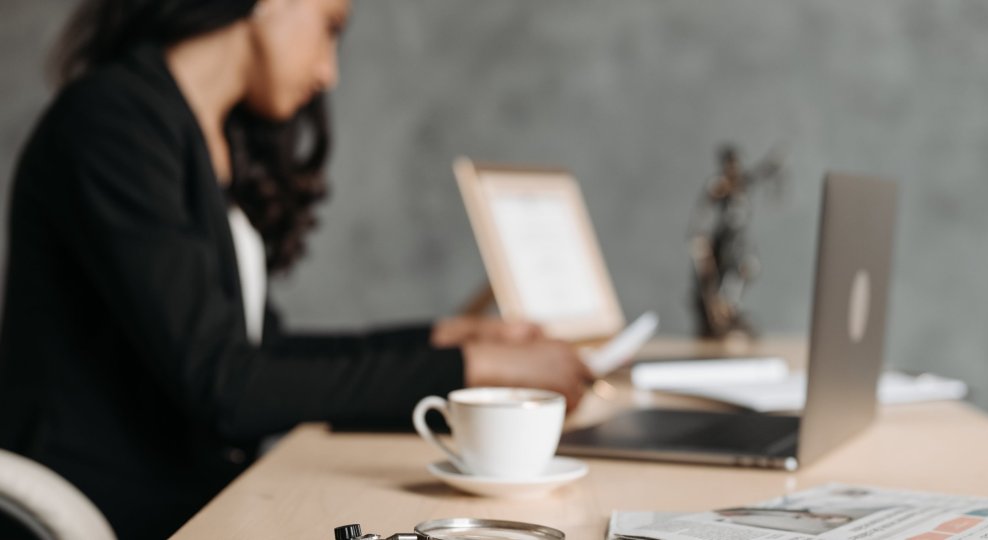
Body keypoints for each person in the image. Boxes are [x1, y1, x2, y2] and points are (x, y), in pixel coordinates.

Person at [0, 0, 594, 538]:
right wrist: (473, 368)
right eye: (329, 27)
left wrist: (442, 338)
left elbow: (259, 349)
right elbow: (226, 385)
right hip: (117, 507)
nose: (327, 71)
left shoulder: (202, 131)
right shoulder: (114, 122)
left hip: (199, 492)